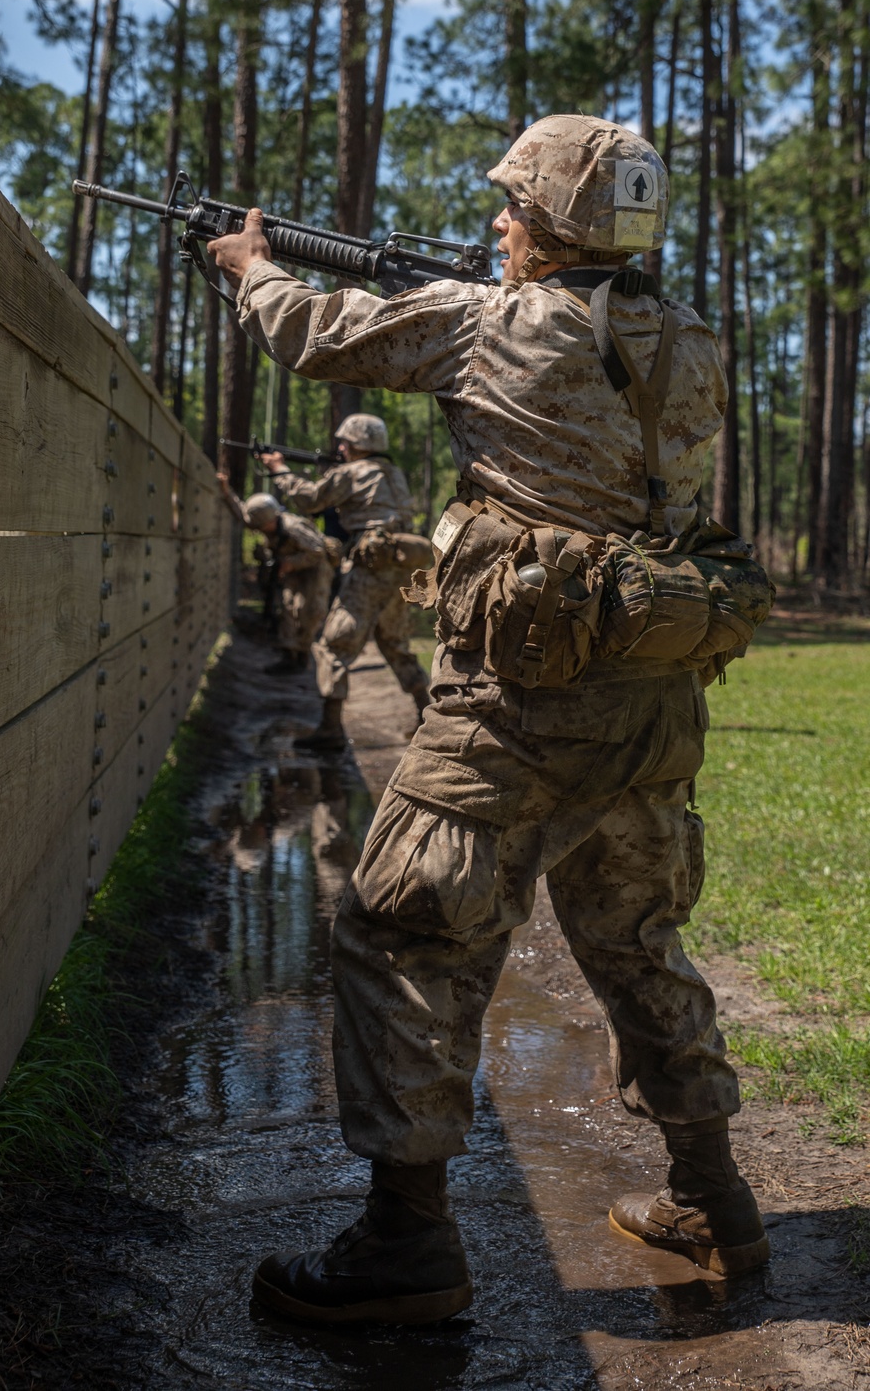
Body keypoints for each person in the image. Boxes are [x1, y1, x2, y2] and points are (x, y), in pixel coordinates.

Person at [207, 114, 769, 1326]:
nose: (498, 222)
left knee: (405, 932)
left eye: (515, 204)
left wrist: (252, 267)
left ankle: (405, 1243)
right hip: (655, 701)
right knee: (636, 944)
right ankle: (716, 1206)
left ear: (558, 221)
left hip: (518, 704)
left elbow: (317, 333)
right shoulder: (697, 343)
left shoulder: (487, 321)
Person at [257, 415, 431, 749]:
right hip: (398, 568)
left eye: (345, 443)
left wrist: (279, 469)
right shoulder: (393, 473)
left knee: (333, 645)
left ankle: (330, 729)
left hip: (368, 569)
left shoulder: (353, 472)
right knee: (396, 644)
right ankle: (426, 716)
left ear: (358, 445)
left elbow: (308, 499)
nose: (340, 448)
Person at [216, 477, 333, 675]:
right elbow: (242, 513)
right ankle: (289, 656)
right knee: (288, 607)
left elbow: (317, 551)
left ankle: (302, 654)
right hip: (292, 567)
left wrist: (289, 564)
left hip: (314, 568)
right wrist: (227, 493)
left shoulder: (293, 527)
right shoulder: (260, 520)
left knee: (311, 610)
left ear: (271, 520)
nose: (259, 530)